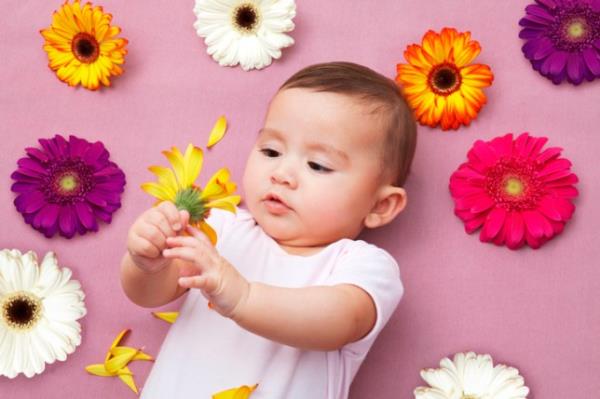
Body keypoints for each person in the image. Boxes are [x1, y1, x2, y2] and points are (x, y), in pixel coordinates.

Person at [120, 61, 417, 399]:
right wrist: (147, 263)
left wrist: (243, 297)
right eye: (271, 151)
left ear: (380, 205)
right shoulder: (221, 229)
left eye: (317, 165)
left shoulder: (361, 266)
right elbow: (147, 295)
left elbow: (338, 321)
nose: (281, 173)